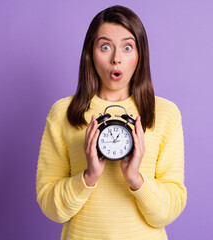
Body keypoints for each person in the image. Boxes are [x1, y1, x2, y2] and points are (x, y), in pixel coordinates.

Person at [36, 5, 187, 240]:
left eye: (127, 47)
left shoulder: (165, 114)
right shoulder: (63, 113)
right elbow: (50, 206)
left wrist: (136, 179)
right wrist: (88, 177)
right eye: (105, 47)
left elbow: (169, 211)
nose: (116, 59)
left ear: (140, 55)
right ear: (90, 53)